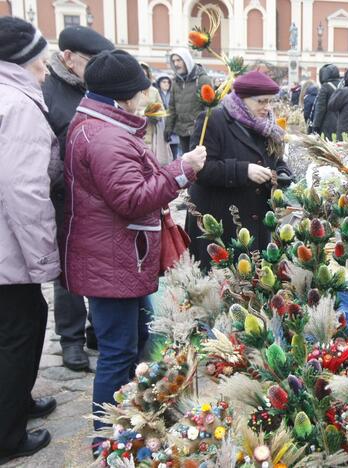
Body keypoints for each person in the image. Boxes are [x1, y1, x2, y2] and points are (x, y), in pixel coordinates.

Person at [62, 50, 206, 446]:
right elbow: (130, 199)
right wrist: (182, 170)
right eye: (142, 92)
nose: (146, 98)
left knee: (135, 343)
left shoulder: (102, 126)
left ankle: (132, 422)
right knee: (117, 353)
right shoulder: (107, 137)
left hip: (117, 255)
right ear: (124, 96)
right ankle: (107, 439)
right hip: (113, 259)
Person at [0, 17, 61, 464]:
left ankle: (17, 401)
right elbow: (25, 190)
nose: (46, 68)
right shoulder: (17, 105)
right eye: (41, 60)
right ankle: (7, 434)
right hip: (8, 247)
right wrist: (42, 259)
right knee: (20, 330)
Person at [41, 25, 114, 371]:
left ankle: (95, 329)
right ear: (68, 59)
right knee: (66, 273)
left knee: (97, 265)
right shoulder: (46, 91)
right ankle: (70, 339)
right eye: (92, 61)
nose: (99, 68)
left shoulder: (99, 88)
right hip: (61, 197)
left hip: (97, 196)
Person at [186, 71, 293, 269]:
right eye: (261, 102)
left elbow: (273, 159)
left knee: (252, 285)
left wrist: (283, 173)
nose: (267, 108)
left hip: (254, 219)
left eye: (270, 101)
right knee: (221, 285)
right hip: (220, 219)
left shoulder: (265, 125)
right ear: (242, 99)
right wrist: (243, 171)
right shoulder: (213, 119)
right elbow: (200, 170)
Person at [165, 47, 212, 153]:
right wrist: (168, 128)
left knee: (199, 164)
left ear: (186, 60)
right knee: (186, 164)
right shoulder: (176, 82)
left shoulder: (202, 79)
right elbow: (172, 107)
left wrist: (206, 129)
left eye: (179, 60)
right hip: (182, 131)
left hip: (198, 132)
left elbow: (209, 107)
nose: (176, 64)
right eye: (174, 61)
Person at [137, 62, 171, 165]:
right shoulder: (131, 90)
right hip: (136, 128)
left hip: (152, 130)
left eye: (145, 75)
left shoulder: (154, 91)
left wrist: (156, 115)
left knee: (152, 160)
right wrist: (142, 113)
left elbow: (161, 109)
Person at [309, 63, 340, 139]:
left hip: (327, 125)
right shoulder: (342, 85)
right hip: (341, 123)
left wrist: (315, 126)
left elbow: (320, 108)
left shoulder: (325, 87)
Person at [157, 75, 179, 157]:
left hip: (173, 126)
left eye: (168, 82)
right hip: (161, 125)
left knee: (174, 152)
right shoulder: (157, 93)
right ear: (159, 83)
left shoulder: (173, 94)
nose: (167, 84)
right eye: (164, 82)